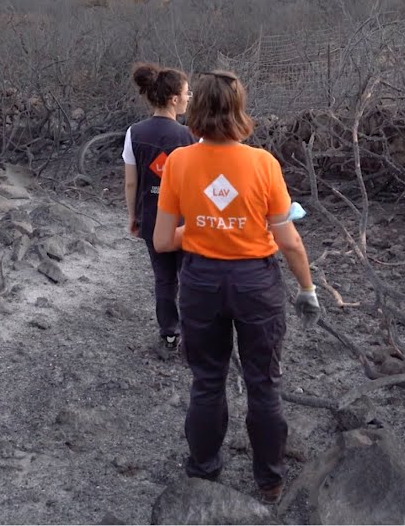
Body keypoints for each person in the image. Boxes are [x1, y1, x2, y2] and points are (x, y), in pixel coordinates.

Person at [153, 69, 320, 504]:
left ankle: (203, 472)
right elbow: (289, 240)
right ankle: (270, 482)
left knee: (207, 381)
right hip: (255, 284)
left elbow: (162, 240)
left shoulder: (179, 163)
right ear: (239, 109)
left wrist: (207, 231)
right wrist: (307, 289)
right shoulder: (263, 163)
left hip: (201, 282)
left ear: (197, 108)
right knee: (263, 383)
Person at [123, 63, 195, 354]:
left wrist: (133, 216)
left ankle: (169, 334)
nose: (190, 98)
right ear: (173, 99)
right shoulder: (190, 136)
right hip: (185, 222)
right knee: (190, 279)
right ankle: (194, 336)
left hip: (152, 220)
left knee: (163, 279)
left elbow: (131, 183)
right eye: (187, 93)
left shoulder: (134, 132)